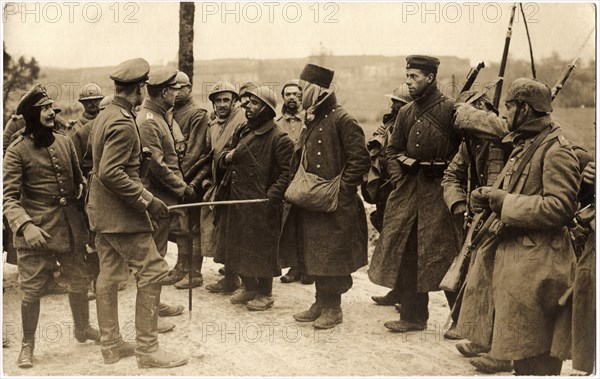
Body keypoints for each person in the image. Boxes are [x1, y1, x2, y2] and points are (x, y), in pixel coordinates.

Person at [457, 77, 580, 375]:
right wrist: (486, 198)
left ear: (524, 110)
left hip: (541, 269)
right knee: (523, 357)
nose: (504, 115)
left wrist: (505, 202)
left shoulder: (556, 150)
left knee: (537, 359)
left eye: (508, 108)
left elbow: (560, 208)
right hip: (521, 265)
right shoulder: (527, 143)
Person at [87, 58, 188, 368]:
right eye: (145, 86)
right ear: (140, 88)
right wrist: (147, 200)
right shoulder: (120, 121)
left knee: (108, 274)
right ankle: (148, 349)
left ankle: (111, 344)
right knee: (154, 270)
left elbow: (106, 166)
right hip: (123, 217)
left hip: (103, 212)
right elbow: (111, 172)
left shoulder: (107, 114)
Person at [3, 84, 100, 369]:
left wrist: (82, 192)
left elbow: (77, 178)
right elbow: (8, 199)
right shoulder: (16, 151)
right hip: (37, 232)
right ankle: (27, 345)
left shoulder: (64, 141)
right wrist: (25, 226)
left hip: (69, 226)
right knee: (32, 290)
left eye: (51, 108)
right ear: (32, 115)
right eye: (44, 109)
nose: (51, 113)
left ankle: (82, 329)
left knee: (79, 281)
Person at [369, 55, 461, 334]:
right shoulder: (407, 112)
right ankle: (413, 316)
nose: (408, 82)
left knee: (447, 255)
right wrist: (399, 179)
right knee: (407, 252)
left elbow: (465, 153)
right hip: (410, 191)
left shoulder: (451, 111)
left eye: (415, 77)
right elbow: (392, 150)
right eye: (407, 76)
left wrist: (454, 183)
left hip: (441, 192)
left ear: (430, 78)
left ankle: (463, 320)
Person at [280, 63, 370, 329]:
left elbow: (359, 160)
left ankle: (334, 308)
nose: (300, 92)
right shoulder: (315, 117)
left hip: (334, 204)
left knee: (333, 258)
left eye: (304, 87)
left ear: (317, 90)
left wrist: (341, 192)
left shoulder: (343, 119)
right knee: (315, 254)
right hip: (313, 202)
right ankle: (320, 302)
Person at [441, 90, 512, 373]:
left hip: (506, 219)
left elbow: (502, 127)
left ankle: (503, 351)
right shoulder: (469, 144)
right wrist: (458, 202)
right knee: (469, 278)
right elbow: (452, 175)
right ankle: (483, 338)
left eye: (473, 115)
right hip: (478, 218)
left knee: (500, 285)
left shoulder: (508, 137)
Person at [214, 86, 293, 311]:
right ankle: (249, 286)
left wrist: (271, 198)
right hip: (236, 199)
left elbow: (287, 174)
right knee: (237, 245)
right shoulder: (243, 130)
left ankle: (265, 293)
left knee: (261, 249)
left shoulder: (280, 138)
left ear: (267, 109)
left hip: (261, 205)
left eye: (254, 104)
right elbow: (223, 154)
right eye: (247, 104)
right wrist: (227, 157)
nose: (248, 108)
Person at [137, 68, 192, 331]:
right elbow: (157, 166)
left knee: (157, 255)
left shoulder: (158, 116)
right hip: (156, 199)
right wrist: (182, 188)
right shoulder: (149, 120)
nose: (178, 93)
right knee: (153, 258)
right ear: (163, 93)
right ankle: (150, 316)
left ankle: (155, 306)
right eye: (174, 89)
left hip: (163, 198)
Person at [366, 85, 411, 307]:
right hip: (385, 190)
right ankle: (398, 290)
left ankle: (406, 294)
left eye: (398, 102)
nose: (393, 105)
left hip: (400, 189)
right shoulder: (389, 123)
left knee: (404, 245)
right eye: (393, 101)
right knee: (392, 241)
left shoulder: (409, 125)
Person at [204, 82, 246, 294]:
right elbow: (210, 156)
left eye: (226, 100)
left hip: (236, 184)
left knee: (235, 232)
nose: (221, 104)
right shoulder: (212, 125)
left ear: (234, 102)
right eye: (217, 100)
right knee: (223, 230)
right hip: (219, 184)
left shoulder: (241, 122)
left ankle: (239, 279)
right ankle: (231, 275)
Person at [171, 71, 212, 289]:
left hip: (192, 178)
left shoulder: (198, 114)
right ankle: (180, 266)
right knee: (180, 225)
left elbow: (196, 151)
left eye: (180, 88)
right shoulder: (170, 113)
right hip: (175, 179)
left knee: (193, 225)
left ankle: (194, 272)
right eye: (172, 89)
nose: (176, 93)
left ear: (189, 88)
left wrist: (179, 178)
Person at [276, 79, 311, 285]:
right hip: (285, 179)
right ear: (283, 97)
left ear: (301, 97)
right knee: (288, 224)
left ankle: (308, 268)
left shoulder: (310, 119)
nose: (291, 97)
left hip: (306, 179)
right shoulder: (277, 122)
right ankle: (293, 266)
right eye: (287, 94)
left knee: (306, 224)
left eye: (295, 94)